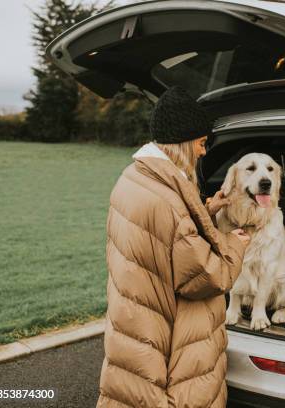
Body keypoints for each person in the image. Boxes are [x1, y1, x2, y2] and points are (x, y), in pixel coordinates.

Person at [97, 86, 250, 408]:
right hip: (169, 329)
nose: (204, 152)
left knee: (133, 391)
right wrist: (236, 243)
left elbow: (162, 235)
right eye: (201, 143)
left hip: (135, 317)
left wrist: (206, 211)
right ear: (183, 143)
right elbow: (206, 278)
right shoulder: (169, 199)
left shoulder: (134, 178)